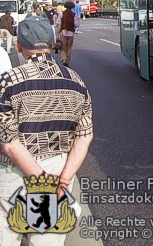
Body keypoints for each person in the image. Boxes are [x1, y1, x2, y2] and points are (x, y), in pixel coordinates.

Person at [0, 16, 93, 246]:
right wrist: (63, 180)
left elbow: (9, 143)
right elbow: (85, 135)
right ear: (53, 43)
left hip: (14, 173)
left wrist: (40, 178)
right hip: (57, 169)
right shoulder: (75, 80)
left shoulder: (7, 82)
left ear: (19, 46)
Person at [56, 0, 76, 66]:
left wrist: (58, 33)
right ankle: (67, 61)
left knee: (63, 47)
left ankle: (64, 59)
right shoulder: (74, 14)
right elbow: (77, 24)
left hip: (63, 33)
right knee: (69, 48)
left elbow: (59, 23)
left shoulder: (62, 13)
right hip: (71, 33)